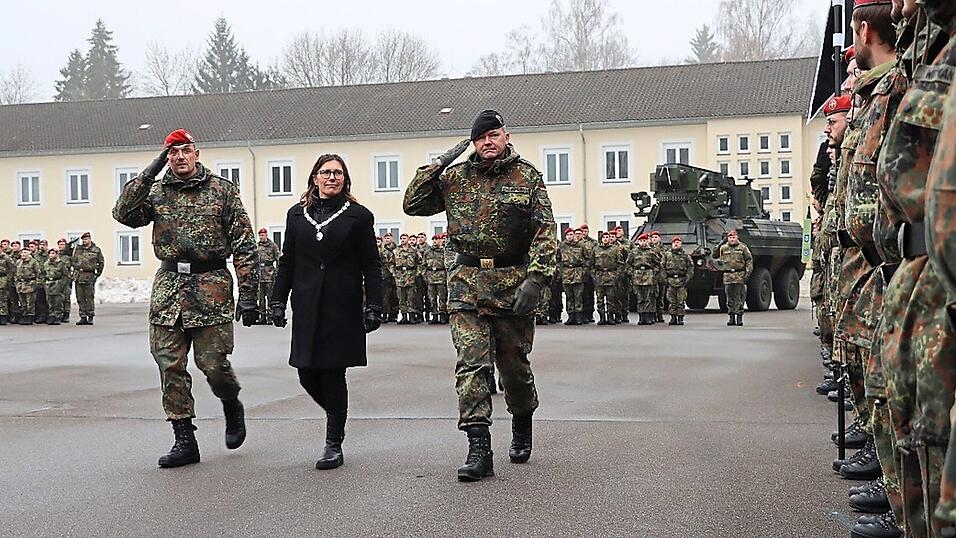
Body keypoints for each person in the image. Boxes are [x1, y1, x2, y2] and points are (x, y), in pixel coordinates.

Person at [403, 109, 557, 482]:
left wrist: (536, 280)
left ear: (507, 137)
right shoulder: (455, 177)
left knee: (514, 368)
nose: (487, 143)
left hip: (512, 282)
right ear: (472, 142)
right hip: (467, 283)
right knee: (471, 365)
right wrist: (442, 160)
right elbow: (412, 203)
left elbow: (546, 232)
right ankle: (478, 448)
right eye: (480, 137)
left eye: (494, 135)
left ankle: (522, 419)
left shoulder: (528, 177)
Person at [112, 128, 258, 469]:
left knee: (213, 365)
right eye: (172, 152)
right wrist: (149, 172)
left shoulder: (222, 191)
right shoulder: (156, 191)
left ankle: (231, 402)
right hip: (169, 289)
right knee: (170, 365)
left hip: (211, 286)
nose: (179, 157)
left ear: (197, 153)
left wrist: (250, 293)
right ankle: (184, 439)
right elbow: (122, 213)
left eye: (185, 150)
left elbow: (244, 243)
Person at [270, 153, 383, 471]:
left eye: (338, 173)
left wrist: (374, 304)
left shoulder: (359, 217)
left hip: (341, 304)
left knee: (333, 373)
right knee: (306, 372)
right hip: (306, 304)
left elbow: (371, 264)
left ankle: (333, 443)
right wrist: (278, 300)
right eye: (325, 172)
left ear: (345, 180)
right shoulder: (296, 215)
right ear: (314, 178)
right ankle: (337, 414)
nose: (332, 177)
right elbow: (287, 261)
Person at [715, 230, 753, 326]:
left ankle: (739, 317)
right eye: (730, 237)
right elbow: (715, 256)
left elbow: (749, 260)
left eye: (734, 237)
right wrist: (718, 245)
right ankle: (731, 317)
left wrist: (748, 272)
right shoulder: (723, 248)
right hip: (728, 276)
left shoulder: (742, 247)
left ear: (737, 238)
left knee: (740, 297)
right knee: (729, 297)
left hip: (739, 275)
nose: (732, 239)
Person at [627, 233, 660, 325]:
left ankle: (648, 317)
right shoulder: (633, 252)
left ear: (647, 241)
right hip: (637, 276)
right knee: (640, 298)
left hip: (648, 276)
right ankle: (641, 317)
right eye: (641, 241)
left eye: (644, 241)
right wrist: (632, 273)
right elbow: (628, 264)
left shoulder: (651, 252)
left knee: (648, 297)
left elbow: (657, 263)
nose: (642, 243)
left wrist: (654, 272)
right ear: (638, 242)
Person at [71, 232, 103, 325]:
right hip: (78, 276)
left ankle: (90, 316)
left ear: (90, 239)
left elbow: (101, 262)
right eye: (83, 239)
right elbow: (72, 259)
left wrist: (97, 274)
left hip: (89, 276)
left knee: (89, 297)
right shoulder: (78, 249)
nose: (84, 241)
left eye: (86, 239)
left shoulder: (96, 250)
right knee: (80, 297)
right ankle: (83, 316)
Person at [593, 231, 624, 325]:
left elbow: (620, 264)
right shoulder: (596, 249)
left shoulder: (615, 249)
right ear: (601, 239)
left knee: (611, 299)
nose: (606, 239)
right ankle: (602, 317)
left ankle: (611, 317)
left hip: (611, 276)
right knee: (600, 299)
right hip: (600, 276)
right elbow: (591, 264)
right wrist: (594, 275)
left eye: (607, 237)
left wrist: (616, 275)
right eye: (604, 237)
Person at [560, 228, 589, 325]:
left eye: (571, 234)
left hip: (578, 273)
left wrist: (584, 271)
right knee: (569, 296)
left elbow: (587, 259)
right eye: (567, 235)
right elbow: (557, 259)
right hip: (566, 273)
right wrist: (560, 271)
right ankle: (570, 316)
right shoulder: (562, 246)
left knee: (578, 295)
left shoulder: (581, 245)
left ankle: (579, 316)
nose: (569, 237)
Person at [662, 236, 694, 326]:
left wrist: (688, 278)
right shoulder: (667, 255)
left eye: (678, 242)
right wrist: (665, 279)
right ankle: (673, 317)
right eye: (674, 242)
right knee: (672, 301)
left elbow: (690, 267)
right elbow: (662, 267)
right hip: (670, 280)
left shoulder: (685, 255)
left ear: (681, 244)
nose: (676, 244)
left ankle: (680, 318)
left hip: (681, 280)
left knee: (681, 301)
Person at [393, 233, 421, 324]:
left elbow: (420, 263)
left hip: (410, 276)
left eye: (404, 238)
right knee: (401, 297)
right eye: (401, 238)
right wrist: (394, 273)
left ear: (408, 239)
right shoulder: (396, 250)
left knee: (411, 297)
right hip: (399, 276)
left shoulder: (413, 250)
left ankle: (411, 316)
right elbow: (390, 263)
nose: (402, 240)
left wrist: (416, 274)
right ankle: (404, 316)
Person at [256, 228, 281, 325]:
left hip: (269, 274)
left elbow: (278, 258)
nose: (261, 237)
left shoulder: (272, 246)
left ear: (266, 235)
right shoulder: (257, 246)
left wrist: (278, 271)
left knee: (270, 297)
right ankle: (262, 317)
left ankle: (270, 316)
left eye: (263, 235)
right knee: (261, 298)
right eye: (260, 235)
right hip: (260, 275)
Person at [424, 233, 449, 324]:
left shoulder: (444, 252)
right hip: (430, 277)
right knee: (432, 298)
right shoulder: (428, 252)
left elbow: (448, 265)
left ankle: (442, 315)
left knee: (442, 297)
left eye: (437, 239)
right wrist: (425, 276)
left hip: (441, 277)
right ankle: (434, 315)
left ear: (440, 240)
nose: (435, 241)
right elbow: (423, 265)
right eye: (434, 239)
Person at [42, 248, 71, 325]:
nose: (51, 255)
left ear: (57, 254)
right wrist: (44, 283)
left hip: (58, 283)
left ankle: (58, 316)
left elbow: (66, 275)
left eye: (53, 253)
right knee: (50, 301)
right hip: (48, 283)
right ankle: (52, 315)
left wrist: (61, 285)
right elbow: (43, 274)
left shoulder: (61, 264)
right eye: (50, 253)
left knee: (58, 301)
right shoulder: (46, 264)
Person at [14, 248, 40, 325]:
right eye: (22, 252)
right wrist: (16, 282)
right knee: (22, 302)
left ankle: (30, 316)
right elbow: (15, 273)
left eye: (25, 252)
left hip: (30, 284)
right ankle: (24, 315)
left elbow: (38, 273)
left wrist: (37, 283)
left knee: (30, 302)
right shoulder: (18, 262)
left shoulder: (33, 262)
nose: (23, 254)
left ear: (29, 253)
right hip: (20, 285)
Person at [380, 232, 398, 323]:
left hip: (396, 275)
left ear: (392, 238)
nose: (387, 239)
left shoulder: (397, 249)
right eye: (386, 238)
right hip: (385, 275)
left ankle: (393, 314)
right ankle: (384, 314)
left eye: (389, 238)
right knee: (385, 296)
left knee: (395, 296)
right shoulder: (382, 251)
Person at [56, 238, 75, 322]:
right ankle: (59, 313)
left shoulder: (69, 256)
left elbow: (75, 264)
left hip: (66, 278)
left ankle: (66, 313)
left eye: (62, 244)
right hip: (58, 279)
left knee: (66, 297)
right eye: (59, 244)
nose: (60, 246)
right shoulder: (56, 255)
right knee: (58, 297)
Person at [0, 245, 15, 325]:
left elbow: (12, 268)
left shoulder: (6, 257)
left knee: (3, 299)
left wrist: (8, 279)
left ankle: (3, 316)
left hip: (3, 279)